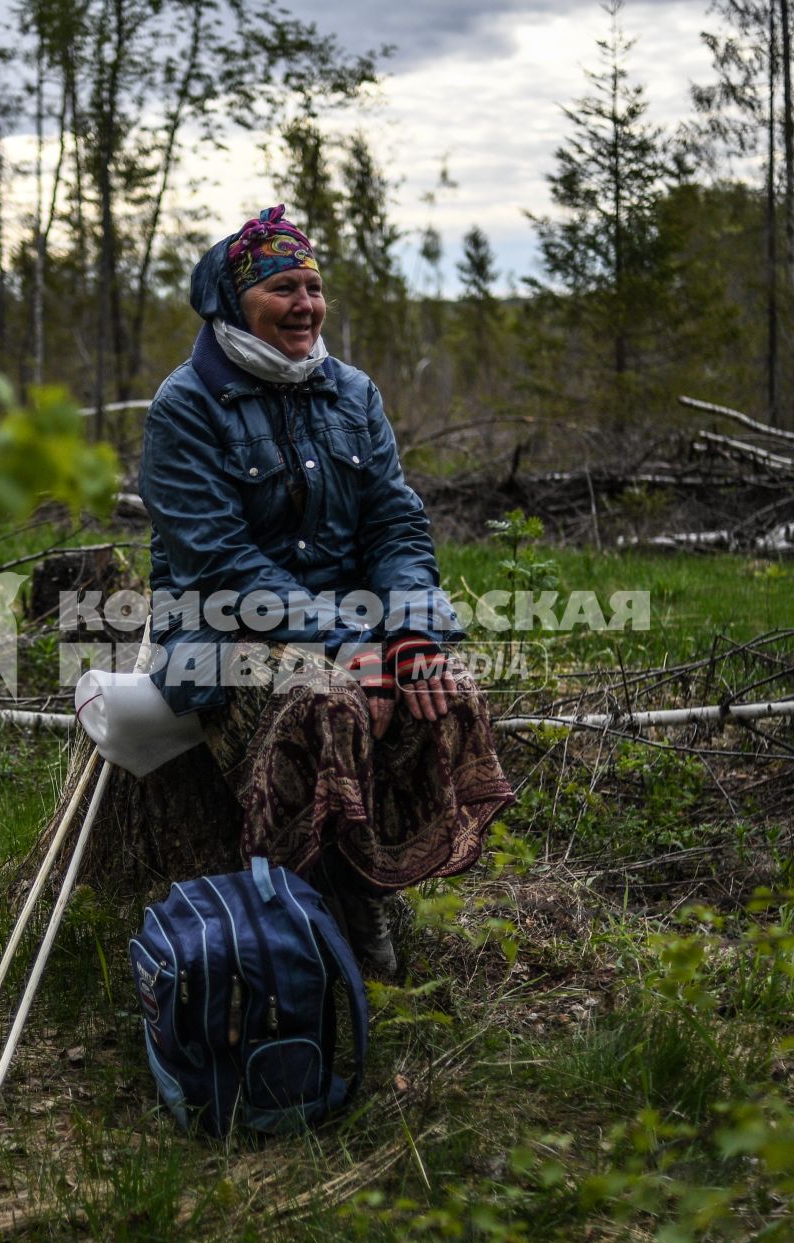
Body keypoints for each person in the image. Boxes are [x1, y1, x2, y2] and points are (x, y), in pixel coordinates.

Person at [137, 205, 515, 979]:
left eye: (313, 287)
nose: (306, 305)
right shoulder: (186, 406)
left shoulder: (352, 394)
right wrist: (347, 644)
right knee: (327, 704)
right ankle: (307, 909)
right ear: (232, 303)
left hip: (355, 626)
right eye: (282, 288)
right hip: (222, 627)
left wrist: (408, 634)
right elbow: (219, 565)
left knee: (446, 689)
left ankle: (370, 879)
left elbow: (395, 525)